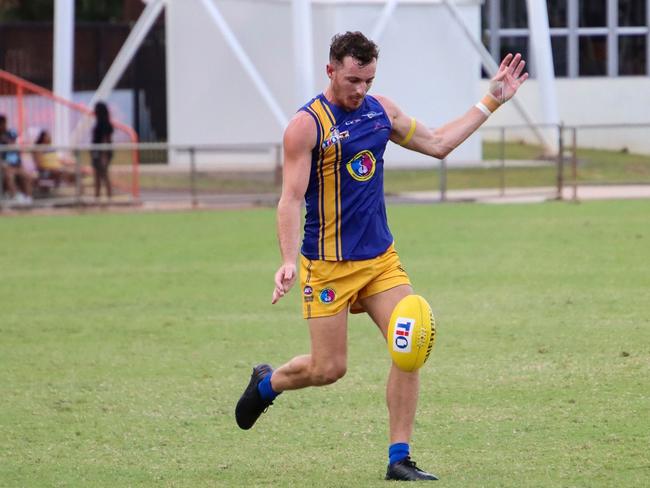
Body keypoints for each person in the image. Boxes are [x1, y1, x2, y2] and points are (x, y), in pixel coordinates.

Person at [235, 31, 528, 481]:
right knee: (328, 369)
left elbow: (438, 143)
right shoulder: (306, 126)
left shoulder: (380, 112)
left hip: (379, 261)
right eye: (353, 79)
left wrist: (491, 101)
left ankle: (399, 458)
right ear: (331, 70)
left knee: (408, 345)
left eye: (368, 80)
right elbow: (290, 198)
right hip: (328, 265)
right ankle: (268, 383)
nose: (360, 90)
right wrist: (288, 259)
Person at [0, 114, 34, 205]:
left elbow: (16, 143)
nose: (2, 126)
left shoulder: (11, 133)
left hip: (16, 164)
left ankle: (28, 198)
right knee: (9, 176)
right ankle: (16, 197)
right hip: (4, 166)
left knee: (26, 176)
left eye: (3, 123)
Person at [91, 101, 114, 199]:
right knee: (97, 175)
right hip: (97, 152)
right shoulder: (99, 123)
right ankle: (97, 195)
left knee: (104, 174)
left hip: (102, 153)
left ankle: (109, 196)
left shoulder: (104, 124)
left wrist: (104, 155)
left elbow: (105, 140)